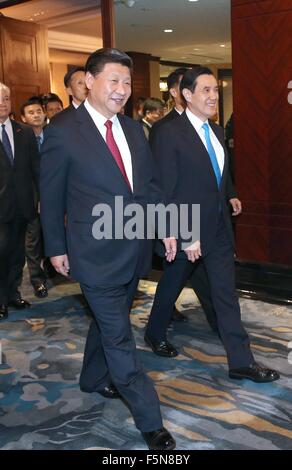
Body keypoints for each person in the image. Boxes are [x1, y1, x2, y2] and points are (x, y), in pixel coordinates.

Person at [40, 48, 176, 450]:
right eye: (113, 81)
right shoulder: (63, 130)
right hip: (92, 252)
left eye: (127, 83)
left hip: (133, 250)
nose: (121, 90)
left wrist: (166, 227)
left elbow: (148, 188)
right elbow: (51, 195)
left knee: (109, 319)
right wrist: (55, 247)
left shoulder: (134, 130)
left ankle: (91, 378)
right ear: (89, 81)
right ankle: (150, 420)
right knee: (119, 336)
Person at [145, 67, 280, 383]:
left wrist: (230, 194)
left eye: (215, 90)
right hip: (185, 232)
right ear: (187, 95)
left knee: (225, 293)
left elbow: (217, 176)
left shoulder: (217, 132)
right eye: (204, 90)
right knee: (172, 283)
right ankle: (154, 331)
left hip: (218, 229)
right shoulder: (168, 133)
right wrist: (186, 233)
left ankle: (241, 361)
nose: (212, 96)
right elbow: (164, 189)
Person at [0, 83, 39, 320]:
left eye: (5, 98)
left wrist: (41, 199)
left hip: (23, 205)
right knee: (1, 252)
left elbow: (37, 169)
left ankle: (13, 293)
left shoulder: (24, 132)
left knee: (17, 253)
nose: (2, 103)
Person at [20, 97, 48, 298]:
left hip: (56, 195)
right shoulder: (20, 139)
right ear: (23, 117)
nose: (37, 115)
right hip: (31, 198)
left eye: (39, 111)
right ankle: (37, 280)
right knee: (33, 241)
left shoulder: (55, 135)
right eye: (31, 112)